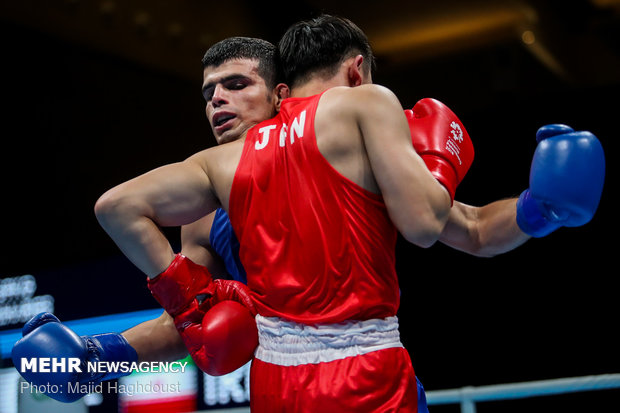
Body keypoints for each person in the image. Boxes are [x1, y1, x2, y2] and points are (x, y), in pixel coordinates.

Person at [12, 15, 604, 411]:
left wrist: (536, 211)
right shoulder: (203, 196)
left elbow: (470, 229)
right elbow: (196, 325)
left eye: (235, 84)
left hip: (336, 367)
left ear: (280, 96)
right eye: (207, 92)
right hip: (282, 378)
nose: (216, 99)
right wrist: (98, 360)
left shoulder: (347, 147)